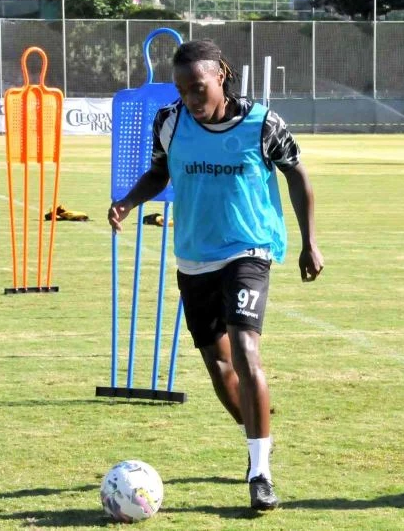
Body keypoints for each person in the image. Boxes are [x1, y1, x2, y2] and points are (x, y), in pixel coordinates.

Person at [107, 39, 324, 510]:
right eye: (182, 89)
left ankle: (260, 473)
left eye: (197, 87)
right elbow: (160, 173)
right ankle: (257, 432)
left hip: (249, 249)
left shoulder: (262, 124)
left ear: (220, 76)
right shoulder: (169, 121)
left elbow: (297, 174)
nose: (190, 97)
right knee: (220, 367)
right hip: (194, 256)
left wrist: (310, 241)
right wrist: (128, 201)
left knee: (245, 350)